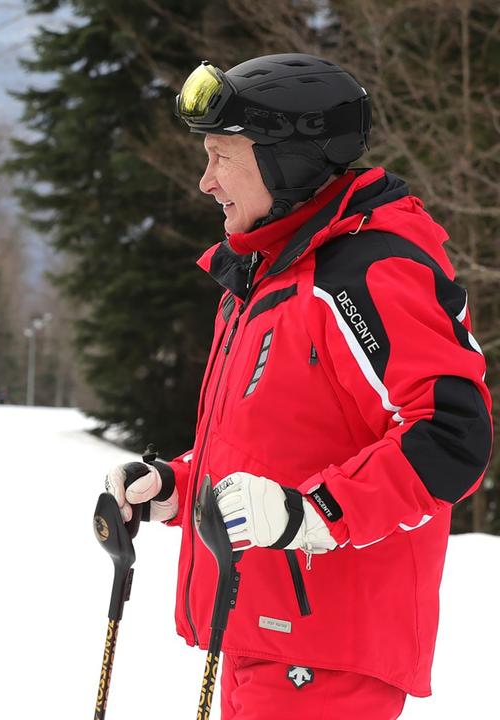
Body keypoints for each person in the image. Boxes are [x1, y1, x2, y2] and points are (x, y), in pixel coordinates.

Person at [104, 53, 491, 719]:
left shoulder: (366, 271)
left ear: (288, 159)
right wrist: (179, 487)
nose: (205, 181)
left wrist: (318, 514)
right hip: (264, 639)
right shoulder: (266, 279)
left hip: (327, 660)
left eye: (223, 155)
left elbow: (453, 437)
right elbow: (276, 459)